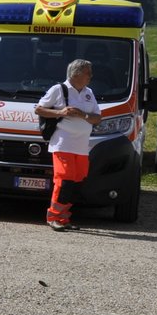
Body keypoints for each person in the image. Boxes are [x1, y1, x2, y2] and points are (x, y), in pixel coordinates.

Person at [36, 59, 101, 231]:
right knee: (64, 180)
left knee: (78, 181)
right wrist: (60, 112)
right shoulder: (58, 89)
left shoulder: (89, 92)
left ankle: (64, 217)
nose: (91, 76)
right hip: (63, 144)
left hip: (81, 147)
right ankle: (53, 217)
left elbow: (97, 118)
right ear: (77, 74)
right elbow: (39, 109)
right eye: (88, 72)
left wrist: (82, 115)